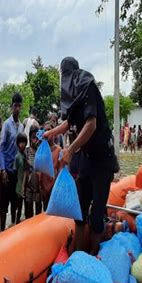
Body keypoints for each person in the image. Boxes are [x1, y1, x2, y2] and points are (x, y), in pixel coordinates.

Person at [43, 57, 116, 255]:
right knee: (80, 212)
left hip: (102, 159)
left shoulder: (87, 87)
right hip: (86, 159)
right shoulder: (72, 97)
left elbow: (90, 124)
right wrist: (51, 133)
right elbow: (68, 124)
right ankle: (78, 254)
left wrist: (70, 150)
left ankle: (92, 255)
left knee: (96, 213)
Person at [0, 92, 24, 231]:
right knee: (3, 204)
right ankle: (2, 230)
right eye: (15, 106)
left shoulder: (21, 126)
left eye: (19, 106)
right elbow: (1, 147)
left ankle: (12, 231)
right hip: (6, 170)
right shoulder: (7, 125)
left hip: (16, 172)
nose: (17, 109)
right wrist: (2, 170)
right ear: (11, 107)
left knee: (15, 202)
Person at [40, 121, 61, 211]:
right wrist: (40, 186)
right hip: (43, 186)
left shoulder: (59, 150)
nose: (48, 132)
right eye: (46, 130)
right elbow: (39, 170)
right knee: (45, 210)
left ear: (54, 133)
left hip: (54, 186)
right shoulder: (41, 149)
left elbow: (60, 170)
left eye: (49, 130)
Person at [24, 126, 42, 219]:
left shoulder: (41, 151)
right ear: (30, 138)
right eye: (33, 137)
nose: (35, 140)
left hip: (38, 186)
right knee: (28, 212)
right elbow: (24, 171)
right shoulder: (26, 151)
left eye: (36, 137)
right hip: (28, 186)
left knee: (39, 213)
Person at [14, 132, 28, 223]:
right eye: (20, 142)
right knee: (19, 208)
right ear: (18, 143)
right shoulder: (17, 157)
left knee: (22, 207)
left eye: (24, 142)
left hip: (24, 185)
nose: (22, 144)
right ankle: (17, 223)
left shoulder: (24, 155)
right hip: (19, 186)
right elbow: (15, 172)